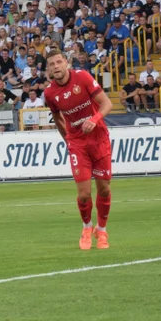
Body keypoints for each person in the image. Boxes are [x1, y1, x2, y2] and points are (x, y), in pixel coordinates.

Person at [43, 49, 114, 250]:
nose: (56, 66)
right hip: (77, 144)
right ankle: (86, 227)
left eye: (59, 62)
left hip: (99, 138)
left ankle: (102, 230)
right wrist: (68, 140)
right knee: (83, 194)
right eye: (52, 64)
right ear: (48, 69)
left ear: (66, 63)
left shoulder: (82, 77)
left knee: (104, 189)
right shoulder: (49, 93)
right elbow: (57, 118)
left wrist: (94, 119)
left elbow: (106, 104)